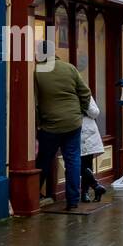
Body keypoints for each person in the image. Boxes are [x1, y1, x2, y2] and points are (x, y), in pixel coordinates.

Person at [33, 43, 91, 209]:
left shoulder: (37, 72)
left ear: (39, 54)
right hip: (73, 122)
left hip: (50, 125)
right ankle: (72, 200)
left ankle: (33, 196)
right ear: (54, 53)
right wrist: (80, 111)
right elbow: (85, 92)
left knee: (43, 160)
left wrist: (39, 123)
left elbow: (34, 102)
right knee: (72, 160)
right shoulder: (69, 68)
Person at [80, 95, 106, 203]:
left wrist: (85, 106)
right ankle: (96, 187)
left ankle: (85, 193)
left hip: (88, 134)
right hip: (74, 132)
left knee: (86, 165)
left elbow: (95, 112)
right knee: (79, 165)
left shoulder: (85, 95)